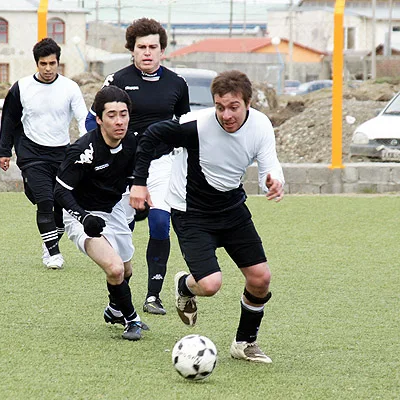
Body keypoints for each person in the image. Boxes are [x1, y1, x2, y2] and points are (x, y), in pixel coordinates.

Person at [130, 70, 285, 362]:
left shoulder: (261, 125)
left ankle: (244, 343)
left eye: (233, 107)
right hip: (192, 212)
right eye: (219, 107)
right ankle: (183, 285)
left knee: (261, 278)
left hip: (231, 209)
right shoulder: (195, 125)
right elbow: (151, 136)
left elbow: (269, 164)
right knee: (210, 285)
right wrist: (139, 182)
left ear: (248, 103)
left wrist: (274, 179)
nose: (226, 115)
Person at [85, 18, 190, 316]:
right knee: (122, 233)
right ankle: (118, 301)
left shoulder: (177, 84)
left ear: (162, 50)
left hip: (160, 165)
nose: (147, 52)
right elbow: (93, 121)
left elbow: (183, 127)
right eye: (141, 47)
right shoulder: (117, 80)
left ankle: (153, 296)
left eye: (153, 47)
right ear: (131, 50)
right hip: (123, 167)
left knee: (159, 223)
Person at [55, 86, 148, 340]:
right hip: (81, 214)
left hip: (115, 208)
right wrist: (84, 217)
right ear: (98, 119)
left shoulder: (131, 142)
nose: (119, 121)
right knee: (115, 269)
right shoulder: (84, 151)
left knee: (126, 271)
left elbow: (132, 175)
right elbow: (60, 192)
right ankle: (132, 319)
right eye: (111, 115)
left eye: (123, 114)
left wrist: (139, 199)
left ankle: (115, 308)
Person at [0, 38, 87, 270]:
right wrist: (4, 151)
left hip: (62, 154)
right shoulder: (22, 87)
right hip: (31, 153)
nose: (48, 69)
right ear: (36, 63)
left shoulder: (70, 88)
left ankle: (48, 246)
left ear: (59, 63)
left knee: (59, 205)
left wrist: (89, 146)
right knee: (45, 199)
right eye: (43, 64)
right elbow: (9, 119)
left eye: (52, 63)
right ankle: (54, 253)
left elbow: (83, 119)